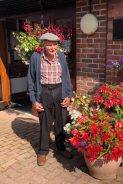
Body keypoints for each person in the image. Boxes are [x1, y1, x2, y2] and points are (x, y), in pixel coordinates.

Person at [27, 32, 73, 166]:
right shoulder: (36, 57)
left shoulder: (61, 57)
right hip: (44, 92)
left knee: (61, 122)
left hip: (60, 91)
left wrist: (68, 96)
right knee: (45, 123)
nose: (53, 48)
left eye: (55, 44)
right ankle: (42, 151)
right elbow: (30, 79)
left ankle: (61, 147)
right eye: (49, 45)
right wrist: (34, 101)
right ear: (43, 46)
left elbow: (66, 77)